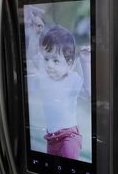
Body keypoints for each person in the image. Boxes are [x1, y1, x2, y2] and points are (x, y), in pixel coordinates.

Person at [27, 24, 90, 160]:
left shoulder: (71, 78)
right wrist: (35, 34)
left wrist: (85, 63)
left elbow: (88, 92)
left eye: (56, 60)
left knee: (70, 170)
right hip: (51, 138)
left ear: (69, 64)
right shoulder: (45, 73)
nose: (49, 64)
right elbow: (33, 53)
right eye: (46, 59)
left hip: (69, 137)